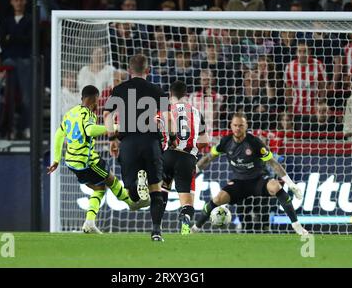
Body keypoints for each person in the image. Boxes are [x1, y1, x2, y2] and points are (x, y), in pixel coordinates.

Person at [47, 85, 146, 234]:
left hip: (71, 161)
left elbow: (59, 135)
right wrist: (113, 127)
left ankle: (89, 223)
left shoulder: (70, 113)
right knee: (110, 179)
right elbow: (90, 130)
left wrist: (56, 159)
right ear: (94, 101)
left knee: (99, 188)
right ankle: (131, 203)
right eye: (98, 101)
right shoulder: (89, 114)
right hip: (85, 161)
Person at [191, 112, 308, 235]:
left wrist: (290, 184)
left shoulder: (254, 142)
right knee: (218, 198)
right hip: (239, 183)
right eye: (235, 125)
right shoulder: (225, 142)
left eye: (241, 125)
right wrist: (193, 172)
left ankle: (297, 226)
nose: (237, 128)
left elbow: (273, 163)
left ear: (246, 126)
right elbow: (208, 158)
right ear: (231, 126)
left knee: (276, 186)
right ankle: (195, 228)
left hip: (258, 180)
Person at [103, 54, 170, 242]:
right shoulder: (158, 90)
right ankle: (156, 231)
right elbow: (167, 118)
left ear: (129, 71)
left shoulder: (119, 89)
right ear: (147, 71)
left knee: (132, 194)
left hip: (129, 143)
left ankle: (136, 186)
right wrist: (170, 139)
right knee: (156, 189)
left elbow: (107, 114)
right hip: (151, 142)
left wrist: (112, 139)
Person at [162, 80, 209, 235]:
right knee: (187, 200)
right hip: (187, 158)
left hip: (167, 156)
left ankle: (157, 226)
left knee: (162, 191)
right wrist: (193, 147)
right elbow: (205, 141)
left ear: (170, 94)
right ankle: (186, 220)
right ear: (186, 94)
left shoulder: (166, 110)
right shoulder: (196, 112)